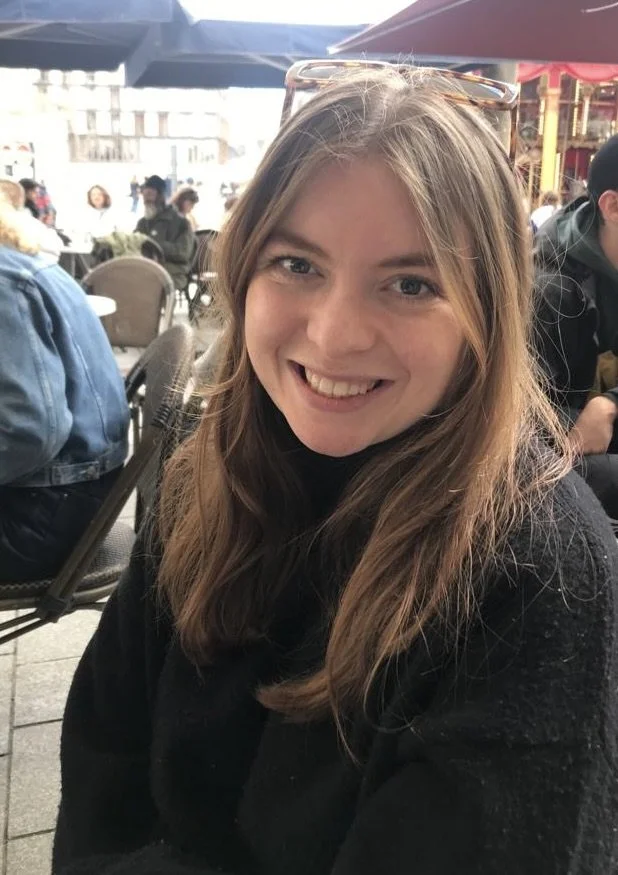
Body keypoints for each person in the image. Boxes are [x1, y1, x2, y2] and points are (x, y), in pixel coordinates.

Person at [54, 65, 618, 875]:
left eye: (412, 282)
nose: (335, 334)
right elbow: (98, 781)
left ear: (486, 316)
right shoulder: (202, 480)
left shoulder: (539, 571)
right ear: (245, 269)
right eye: (298, 265)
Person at [0, 192, 129, 583]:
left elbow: (30, 433)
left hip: (47, 510)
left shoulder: (4, 284)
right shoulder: (21, 263)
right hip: (75, 488)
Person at [535, 133, 618, 519]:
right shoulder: (550, 291)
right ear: (612, 206)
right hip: (555, 473)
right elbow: (530, 441)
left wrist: (610, 402)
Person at [135, 174, 195, 291]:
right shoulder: (142, 223)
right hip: (145, 270)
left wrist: (155, 245)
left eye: (150, 194)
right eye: (145, 195)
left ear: (160, 196)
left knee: (150, 285)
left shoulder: (180, 223)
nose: (146, 199)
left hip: (172, 272)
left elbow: (183, 253)